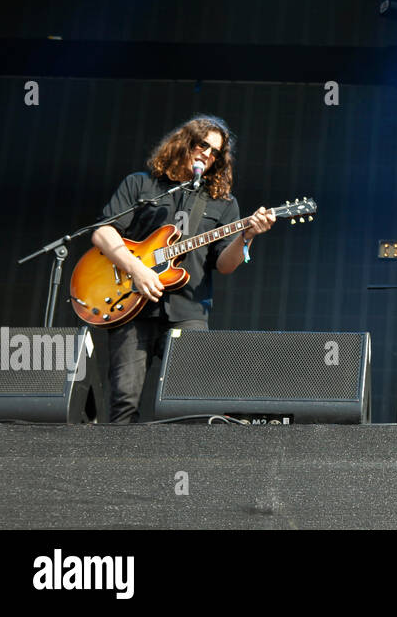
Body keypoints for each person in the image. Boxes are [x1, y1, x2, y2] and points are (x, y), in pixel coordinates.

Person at [91, 115, 276, 422]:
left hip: (188, 310)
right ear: (184, 142)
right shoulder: (142, 184)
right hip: (131, 305)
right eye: (203, 145)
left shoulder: (223, 203)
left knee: (194, 402)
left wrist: (248, 235)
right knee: (123, 401)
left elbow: (225, 265)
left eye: (216, 152)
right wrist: (136, 269)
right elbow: (103, 232)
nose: (208, 154)